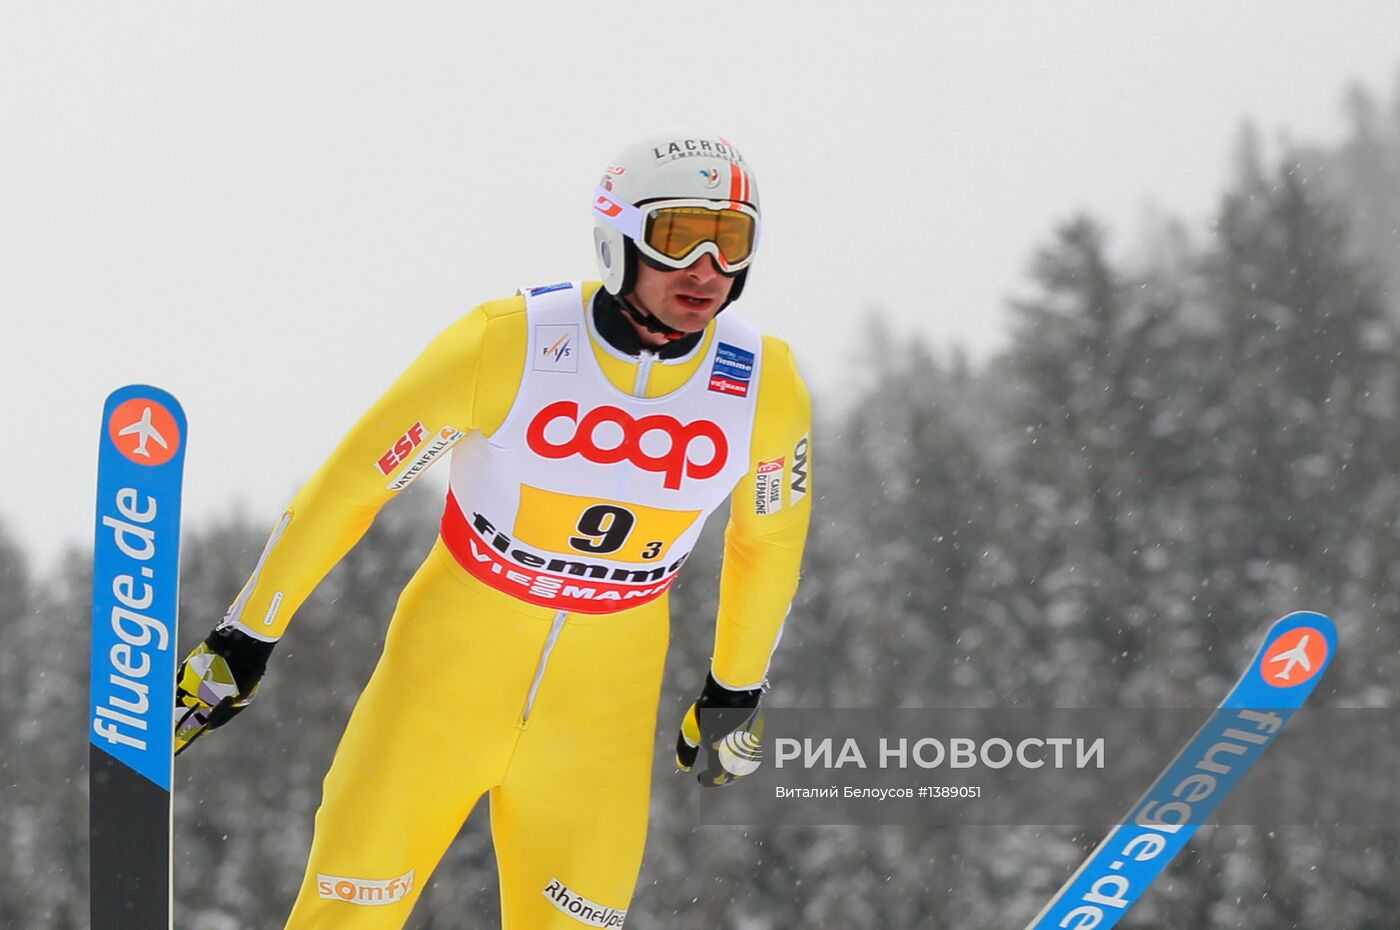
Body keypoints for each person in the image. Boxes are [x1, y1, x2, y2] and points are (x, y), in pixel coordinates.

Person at [173, 127, 813, 929]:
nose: (707, 269)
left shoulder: (762, 383)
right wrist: (245, 636)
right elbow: (353, 486)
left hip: (597, 728)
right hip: (439, 693)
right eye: (678, 236)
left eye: (731, 240)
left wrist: (736, 687)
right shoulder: (509, 341)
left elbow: (767, 540)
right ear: (617, 238)